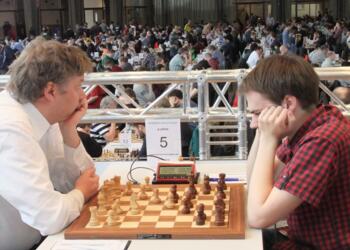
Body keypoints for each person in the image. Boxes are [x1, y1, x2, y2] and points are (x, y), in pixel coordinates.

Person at [239, 55, 350, 250]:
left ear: (288, 104)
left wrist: (268, 138)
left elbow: (258, 216)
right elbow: (255, 184)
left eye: (257, 113)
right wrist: (262, 132)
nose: (253, 123)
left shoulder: (322, 140)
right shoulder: (311, 125)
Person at [0, 37, 100, 250]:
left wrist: (68, 130)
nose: (83, 97)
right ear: (51, 91)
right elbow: (49, 216)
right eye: (79, 87)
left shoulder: (43, 111)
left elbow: (79, 181)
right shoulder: (10, 128)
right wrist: (81, 192)